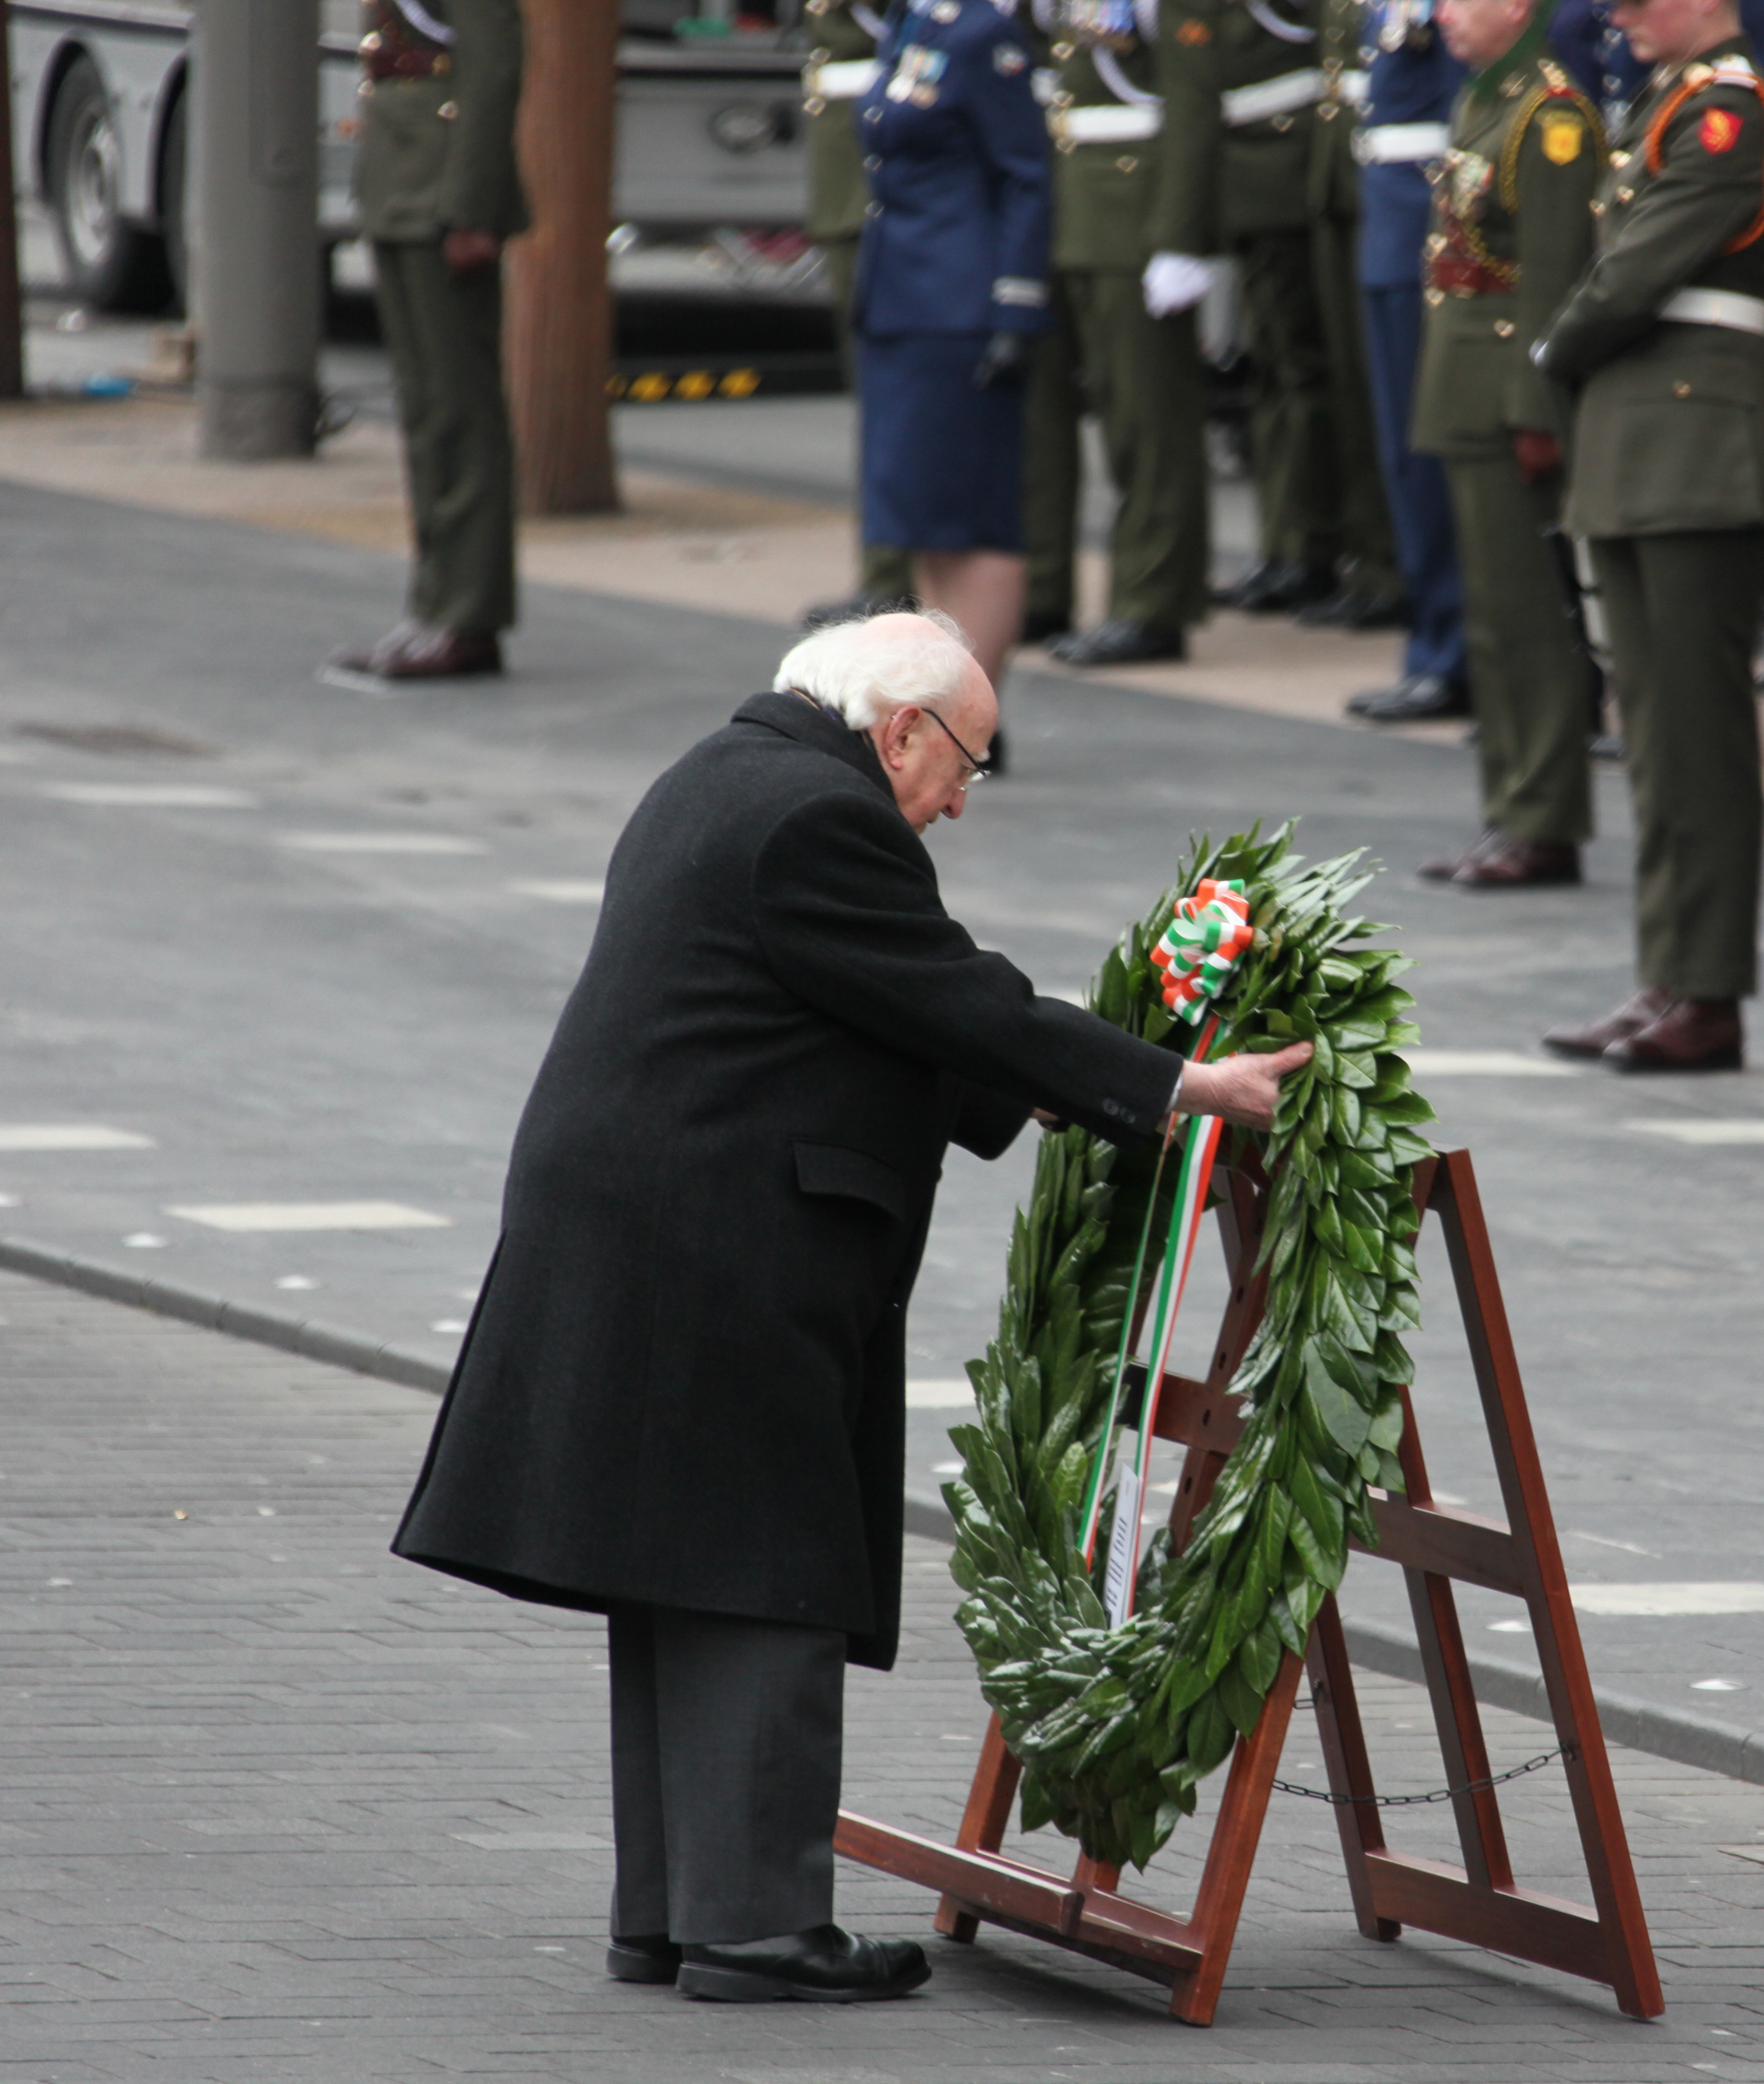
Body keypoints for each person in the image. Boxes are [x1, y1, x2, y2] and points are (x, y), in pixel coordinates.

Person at [392, 611, 1314, 2001]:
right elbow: (952, 998)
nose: (959, 801)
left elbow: (901, 1009)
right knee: (764, 1555)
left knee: (677, 1565)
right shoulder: (822, 818)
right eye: (967, 766)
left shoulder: (731, 774)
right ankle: (756, 1923)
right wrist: (1187, 1088)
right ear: (902, 729)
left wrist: (1074, 1075)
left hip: (655, 1212)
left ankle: (675, 1911)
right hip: (715, 1229)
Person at [1533, 0, 1764, 1073]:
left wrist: (1557, 343)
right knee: (1654, 734)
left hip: (1696, 444)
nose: (1620, 13)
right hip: (1646, 439)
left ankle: (1707, 989)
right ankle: (1669, 975)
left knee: (1696, 734)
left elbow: (1640, 269)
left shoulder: (1732, 110)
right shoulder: (1672, 101)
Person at [1411, 0, 1605, 881]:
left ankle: (1544, 817)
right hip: (1465, 382)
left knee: (1531, 619)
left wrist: (1539, 410)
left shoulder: (1549, 115)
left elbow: (1556, 278)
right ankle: (1511, 807)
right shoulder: (1485, 97)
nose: (1444, 15)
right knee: (1493, 616)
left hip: (1507, 392)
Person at [1159, 0, 1403, 619]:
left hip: (1294, 163)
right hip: (1271, 168)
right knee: (1279, 371)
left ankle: (1345, 551)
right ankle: (1296, 543)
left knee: (1321, 373)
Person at [853, 0, 1053, 695]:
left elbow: (1024, 173)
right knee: (925, 518)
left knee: (973, 519)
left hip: (959, 304)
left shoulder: (983, 34)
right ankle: (946, 702)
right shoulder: (918, 24)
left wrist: (1017, 306)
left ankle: (971, 712)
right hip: (902, 297)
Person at [329, 0, 527, 687]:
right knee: (424, 413)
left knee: (458, 413)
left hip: (441, 189)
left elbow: (494, 61)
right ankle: (435, 605)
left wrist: (470, 208)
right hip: (403, 177)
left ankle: (468, 615)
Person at [1027, 0, 1220, 667]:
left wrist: (1178, 239)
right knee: (1042, 416)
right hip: (1069, 213)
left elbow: (1194, 103)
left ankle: (1152, 604)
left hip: (1133, 223)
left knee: (1147, 424)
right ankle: (1041, 586)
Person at [1340, 0, 1482, 722]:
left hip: (1427, 224)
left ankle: (1456, 649)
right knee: (1407, 458)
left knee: (1434, 460)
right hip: (1391, 222)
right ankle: (1435, 639)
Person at [799, 0, 920, 629]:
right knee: (880, 394)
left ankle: (895, 578)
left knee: (896, 393)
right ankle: (887, 575)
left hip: (882, 172)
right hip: (852, 169)